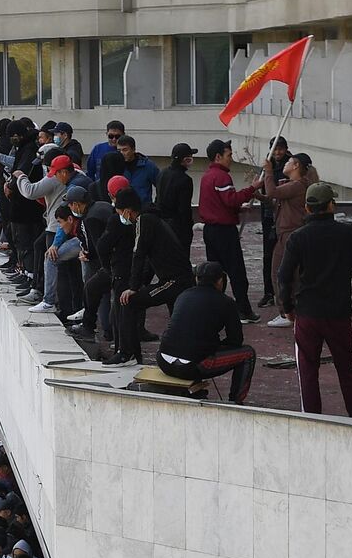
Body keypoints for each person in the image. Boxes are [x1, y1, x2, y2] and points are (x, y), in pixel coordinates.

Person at [278, 181, 352, 418]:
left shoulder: (298, 237)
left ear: (308, 208)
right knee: (346, 366)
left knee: (309, 369)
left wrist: (287, 307)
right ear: (331, 205)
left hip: (308, 312)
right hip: (339, 311)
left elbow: (284, 275)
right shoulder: (348, 232)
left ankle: (312, 417)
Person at [105, 189, 186, 368]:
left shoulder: (143, 220)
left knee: (129, 301)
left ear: (127, 210)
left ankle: (127, 353)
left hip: (174, 281)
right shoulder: (153, 220)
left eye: (120, 214)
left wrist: (133, 287)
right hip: (173, 279)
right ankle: (132, 353)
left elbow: (139, 254)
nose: (121, 217)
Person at [156, 262, 258, 403]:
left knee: (194, 346)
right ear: (220, 281)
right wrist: (216, 346)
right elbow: (236, 340)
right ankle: (236, 401)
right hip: (192, 366)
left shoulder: (183, 295)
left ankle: (195, 391)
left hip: (163, 360)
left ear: (197, 279)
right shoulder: (227, 302)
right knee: (248, 354)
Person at [196, 139, 261, 322]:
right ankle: (244, 311)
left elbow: (218, 204)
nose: (231, 159)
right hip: (224, 232)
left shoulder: (207, 176)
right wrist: (252, 189)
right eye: (229, 155)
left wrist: (239, 209)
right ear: (218, 157)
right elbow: (231, 200)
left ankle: (214, 309)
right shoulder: (222, 177)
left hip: (211, 230)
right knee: (237, 272)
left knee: (215, 272)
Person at [261, 151, 317, 326]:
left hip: (290, 233)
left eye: (289, 161)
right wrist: (256, 196)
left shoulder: (299, 185)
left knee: (282, 273)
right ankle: (289, 310)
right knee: (285, 273)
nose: (285, 164)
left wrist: (268, 171)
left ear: (296, 166)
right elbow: (274, 199)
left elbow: (272, 192)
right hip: (285, 233)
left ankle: (287, 312)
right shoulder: (294, 185)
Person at [255, 138, 293, 309]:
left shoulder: (289, 168)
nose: (277, 153)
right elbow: (267, 194)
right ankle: (269, 292)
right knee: (268, 256)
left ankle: (286, 293)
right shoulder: (267, 167)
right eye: (274, 149)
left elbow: (275, 192)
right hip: (269, 216)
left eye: (281, 149)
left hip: (284, 217)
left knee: (286, 255)